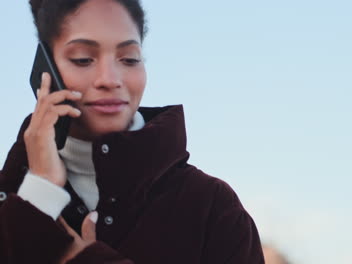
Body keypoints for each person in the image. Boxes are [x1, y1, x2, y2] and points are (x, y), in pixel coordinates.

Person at [0, 0, 264, 263]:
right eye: (83, 59)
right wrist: (39, 192)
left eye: (129, 59)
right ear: (45, 69)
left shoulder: (212, 206)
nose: (110, 79)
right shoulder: (9, 192)